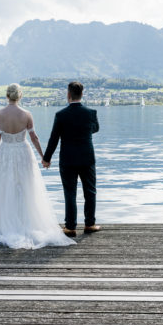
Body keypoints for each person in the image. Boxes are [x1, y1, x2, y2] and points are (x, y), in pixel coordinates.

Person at [0, 83, 75, 249]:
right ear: (20, 96)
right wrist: (43, 157)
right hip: (23, 153)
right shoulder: (26, 114)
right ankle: (28, 223)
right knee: (27, 187)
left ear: (7, 96)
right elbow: (34, 138)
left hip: (5, 154)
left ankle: (7, 225)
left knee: (6, 187)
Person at [42, 81, 100, 237]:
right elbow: (95, 129)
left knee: (70, 193)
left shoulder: (61, 115)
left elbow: (53, 139)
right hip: (87, 157)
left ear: (68, 95)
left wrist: (46, 158)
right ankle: (89, 224)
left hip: (67, 159)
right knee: (90, 191)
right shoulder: (91, 113)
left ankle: (70, 227)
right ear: (82, 94)